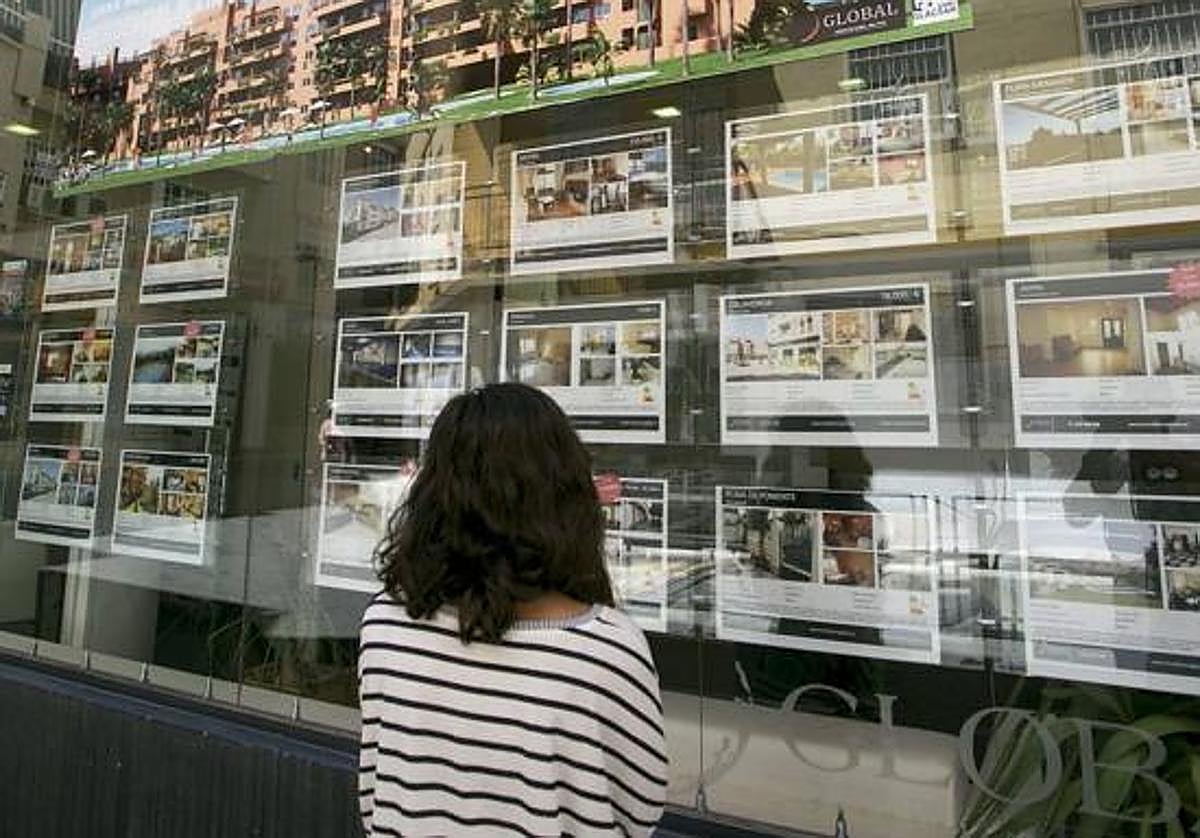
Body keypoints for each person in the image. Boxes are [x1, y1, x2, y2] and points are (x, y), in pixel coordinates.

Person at [359, 382, 668, 837]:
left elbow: (375, 791)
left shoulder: (385, 623)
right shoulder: (607, 649)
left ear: (434, 493)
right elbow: (640, 810)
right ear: (565, 491)